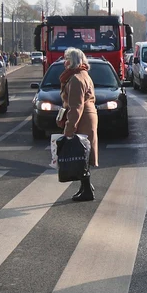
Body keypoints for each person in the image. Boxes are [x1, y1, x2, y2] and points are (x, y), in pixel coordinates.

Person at [58, 47, 98, 202]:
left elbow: (76, 107)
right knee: (83, 154)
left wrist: (69, 128)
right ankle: (85, 187)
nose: (64, 62)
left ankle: (87, 190)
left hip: (82, 119)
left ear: (72, 60)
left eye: (66, 58)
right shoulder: (82, 74)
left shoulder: (76, 79)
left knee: (80, 153)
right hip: (87, 116)